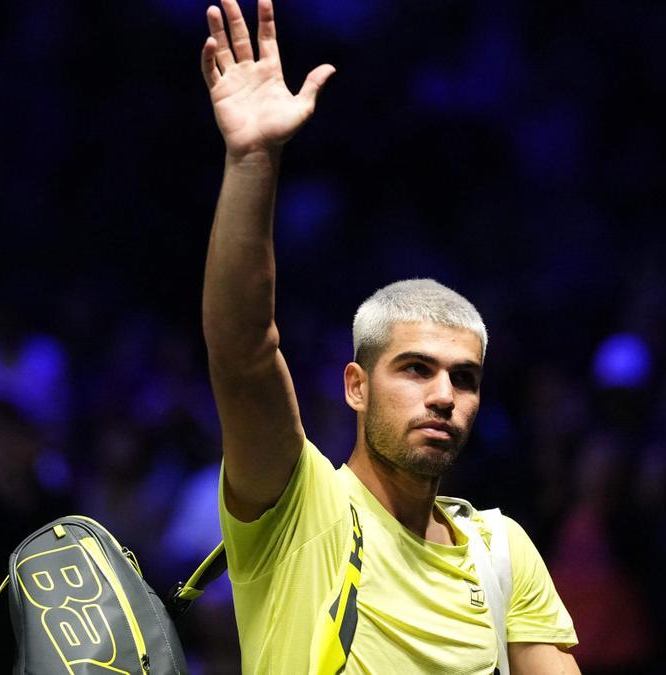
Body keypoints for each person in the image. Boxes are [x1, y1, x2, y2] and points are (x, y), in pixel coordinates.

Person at [197, 1, 579, 673]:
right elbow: (243, 353)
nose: (444, 395)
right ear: (357, 386)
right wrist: (252, 160)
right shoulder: (297, 505)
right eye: (416, 368)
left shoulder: (501, 551)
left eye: (465, 378)